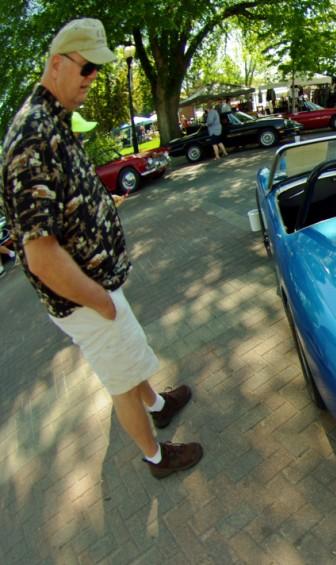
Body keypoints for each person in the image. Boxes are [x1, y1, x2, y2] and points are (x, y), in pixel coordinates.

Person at [0, 18, 203, 478]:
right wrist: (100, 302)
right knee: (120, 379)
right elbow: (41, 255)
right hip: (85, 295)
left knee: (130, 356)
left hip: (99, 283)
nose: (93, 79)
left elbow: (60, 198)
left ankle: (156, 404)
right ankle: (156, 456)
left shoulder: (52, 117)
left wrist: (98, 205)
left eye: (98, 69)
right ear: (57, 63)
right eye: (87, 68)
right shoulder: (31, 135)